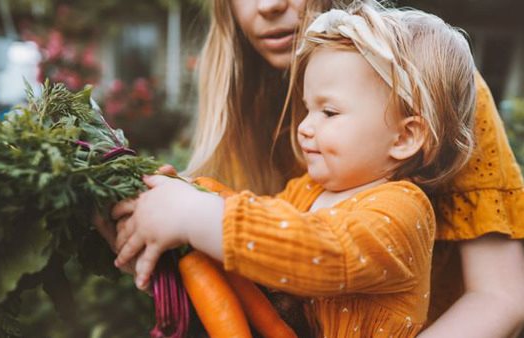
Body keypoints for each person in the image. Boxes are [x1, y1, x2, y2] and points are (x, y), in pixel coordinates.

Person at [99, 0, 524, 336]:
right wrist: (171, 199)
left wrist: (195, 215)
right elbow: (265, 216)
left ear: (405, 137)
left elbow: (320, 248)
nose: (305, 127)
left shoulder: (400, 209)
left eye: (329, 111)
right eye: (306, 109)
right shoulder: (311, 184)